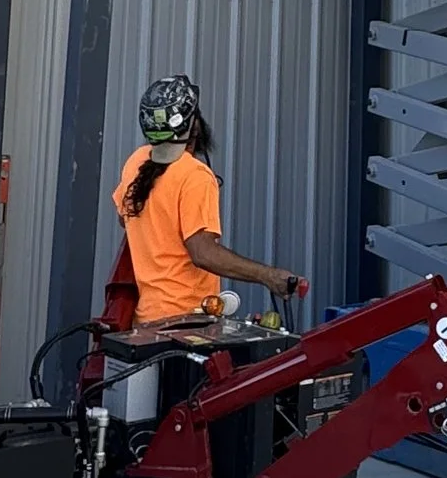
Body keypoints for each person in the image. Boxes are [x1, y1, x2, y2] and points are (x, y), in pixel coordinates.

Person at [108, 76, 305, 328]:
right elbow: (203, 253)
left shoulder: (136, 161)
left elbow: (125, 218)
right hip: (184, 323)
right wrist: (268, 276)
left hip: (146, 321)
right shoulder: (195, 176)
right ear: (194, 125)